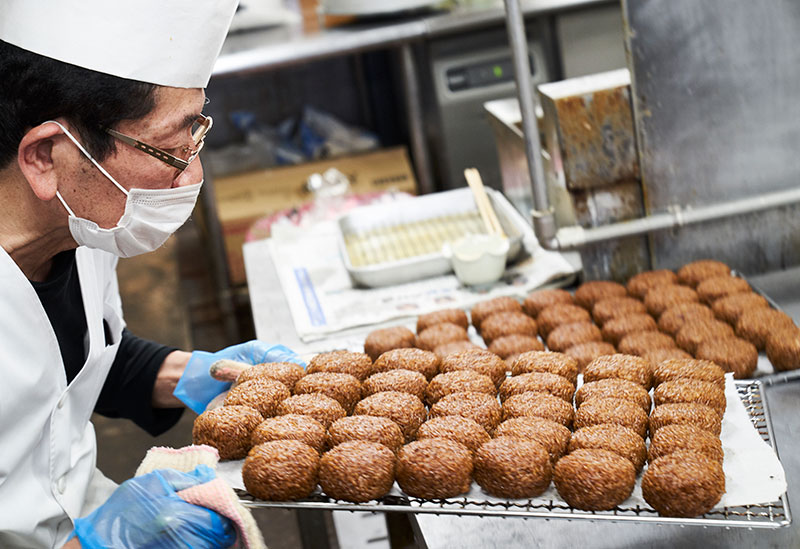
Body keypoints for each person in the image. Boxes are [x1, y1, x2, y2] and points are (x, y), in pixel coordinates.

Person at [0, 1, 301, 547]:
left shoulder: (84, 222)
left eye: (196, 137)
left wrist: (189, 373)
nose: (194, 174)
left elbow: (68, 368)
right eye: (169, 150)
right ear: (46, 156)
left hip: (83, 505)